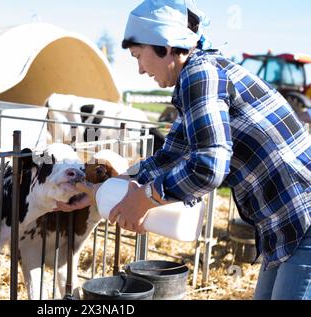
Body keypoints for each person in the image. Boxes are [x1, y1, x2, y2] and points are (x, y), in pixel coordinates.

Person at [55, 0, 311, 300]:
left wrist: (147, 199)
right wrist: (103, 189)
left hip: (302, 217)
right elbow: (170, 154)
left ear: (165, 46)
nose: (139, 69)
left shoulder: (200, 76)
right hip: (281, 224)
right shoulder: (199, 74)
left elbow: (208, 166)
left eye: (139, 56)